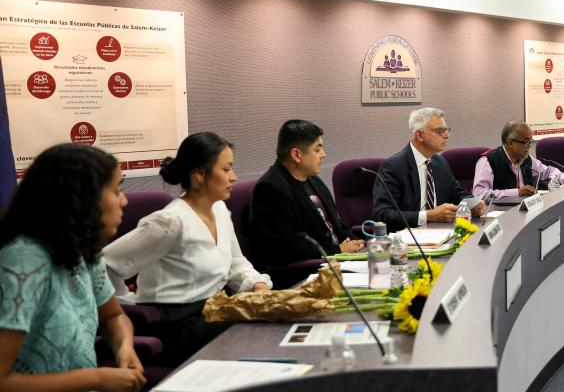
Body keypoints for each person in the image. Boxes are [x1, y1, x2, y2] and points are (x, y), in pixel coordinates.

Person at [0, 143, 146, 392]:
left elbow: (113, 318)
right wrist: (97, 378)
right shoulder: (24, 262)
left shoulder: (81, 251)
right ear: (82, 199)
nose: (124, 200)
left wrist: (124, 348)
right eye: (116, 190)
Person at [104, 132, 271, 365]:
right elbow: (105, 265)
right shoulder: (169, 222)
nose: (234, 177)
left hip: (214, 310)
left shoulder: (220, 210)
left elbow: (236, 262)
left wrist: (257, 284)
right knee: (257, 329)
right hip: (177, 325)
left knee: (270, 320)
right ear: (199, 174)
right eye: (226, 169)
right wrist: (128, 306)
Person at [248, 120, 364, 271]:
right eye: (317, 150)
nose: (323, 155)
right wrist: (338, 251)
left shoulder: (313, 180)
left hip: (339, 261)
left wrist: (358, 243)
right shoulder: (271, 189)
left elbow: (337, 226)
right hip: (308, 271)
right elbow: (286, 249)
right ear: (296, 155)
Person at [373, 107, 486, 231]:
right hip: (408, 238)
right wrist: (428, 216)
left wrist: (473, 204)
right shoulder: (394, 167)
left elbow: (457, 193)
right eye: (440, 131)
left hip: (442, 233)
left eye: (446, 130)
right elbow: (382, 214)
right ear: (420, 135)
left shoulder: (440, 162)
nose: (447, 135)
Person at [473, 120, 564, 202]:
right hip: (499, 216)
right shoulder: (488, 161)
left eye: (530, 141)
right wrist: (517, 192)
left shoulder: (526, 159)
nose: (529, 146)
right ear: (510, 143)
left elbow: (548, 171)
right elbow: (479, 193)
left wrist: (563, 178)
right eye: (525, 142)